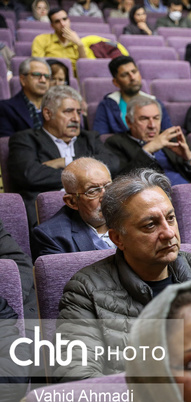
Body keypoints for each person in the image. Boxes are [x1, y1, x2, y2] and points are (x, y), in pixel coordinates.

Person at [55, 169, 191, 381]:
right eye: (150, 225)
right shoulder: (85, 290)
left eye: (170, 218)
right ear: (118, 238)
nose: (169, 233)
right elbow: (77, 378)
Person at [8, 86, 120, 227]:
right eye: (68, 111)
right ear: (48, 114)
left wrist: (67, 161)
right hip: (48, 214)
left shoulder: (89, 138)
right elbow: (30, 174)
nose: (76, 118)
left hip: (94, 208)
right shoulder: (25, 139)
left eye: (78, 112)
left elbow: (113, 162)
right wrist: (83, 182)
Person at [106, 96, 191, 184]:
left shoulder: (173, 138)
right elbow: (121, 182)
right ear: (129, 121)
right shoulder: (115, 143)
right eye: (144, 119)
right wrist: (147, 150)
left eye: (156, 118)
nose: (152, 125)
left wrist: (189, 159)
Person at [32, 157, 114, 259]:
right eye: (93, 191)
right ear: (72, 202)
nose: (105, 197)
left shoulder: (130, 215)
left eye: (108, 186)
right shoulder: (52, 236)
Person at [94, 56, 173, 135]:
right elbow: (100, 137)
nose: (132, 77)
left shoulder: (155, 103)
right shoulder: (107, 105)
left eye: (134, 72)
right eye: (125, 75)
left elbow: (169, 134)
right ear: (116, 82)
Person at [0, 57, 50, 137]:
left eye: (47, 76)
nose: (43, 80)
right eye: (37, 75)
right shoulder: (6, 109)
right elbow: (6, 144)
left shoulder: (55, 108)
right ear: (23, 79)